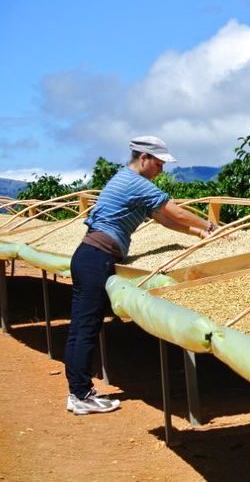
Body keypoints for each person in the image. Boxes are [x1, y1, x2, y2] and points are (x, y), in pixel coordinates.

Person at [65, 135, 217, 415]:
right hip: (96, 257)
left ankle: (77, 391)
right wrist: (209, 224)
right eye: (159, 164)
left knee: (81, 326)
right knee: (86, 327)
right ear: (144, 159)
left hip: (89, 256)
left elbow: (163, 218)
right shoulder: (135, 183)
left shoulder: (127, 181)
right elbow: (174, 211)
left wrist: (197, 233)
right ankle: (81, 394)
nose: (162, 170)